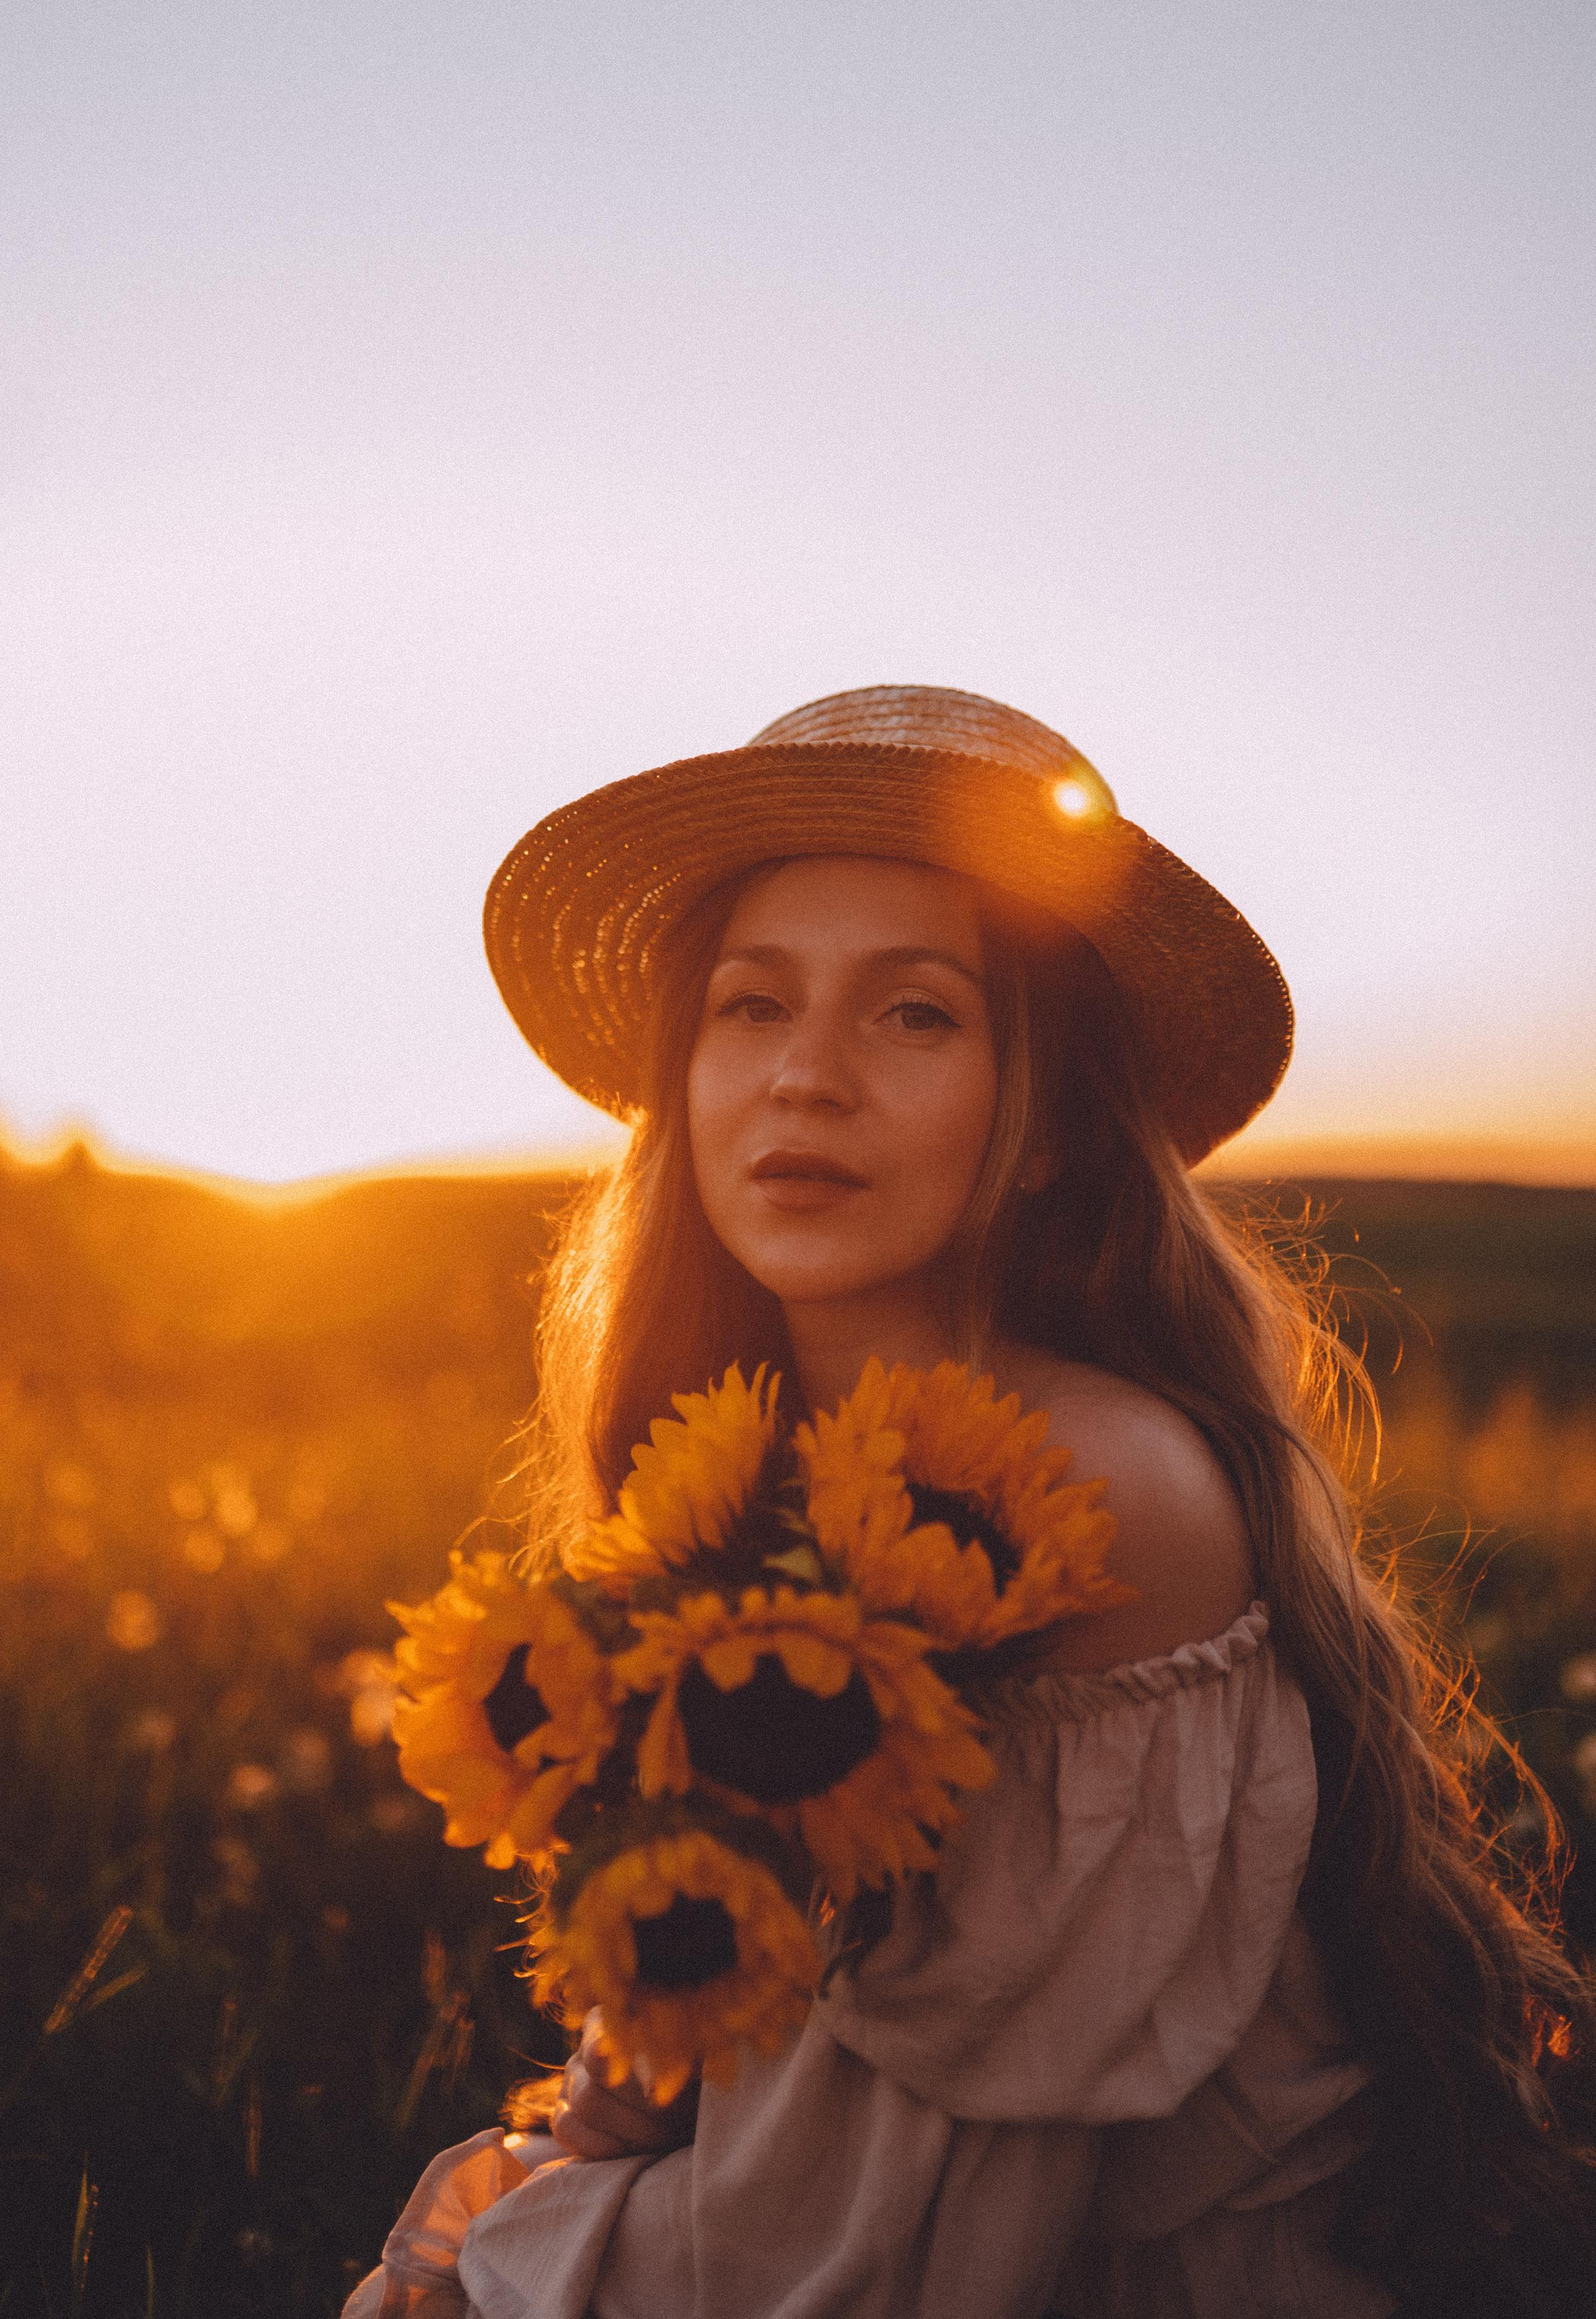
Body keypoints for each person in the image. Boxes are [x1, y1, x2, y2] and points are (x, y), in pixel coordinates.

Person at [348, 687, 1596, 2318]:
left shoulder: (1076, 1493)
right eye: (750, 1005)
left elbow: (875, 2253)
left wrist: (496, 2260)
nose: (805, 1076)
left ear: (1051, 1130)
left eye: (914, 1014)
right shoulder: (765, 1450)